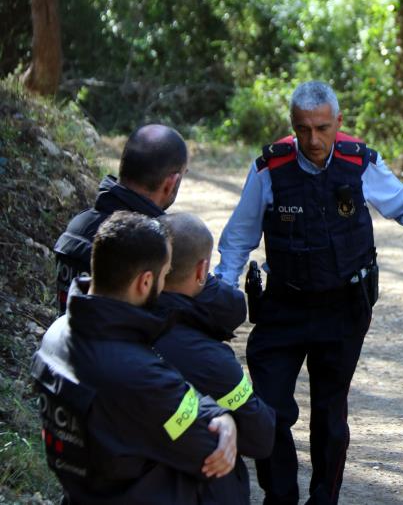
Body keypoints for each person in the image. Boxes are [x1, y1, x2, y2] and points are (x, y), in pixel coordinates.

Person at [214, 80, 403, 505]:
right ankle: (279, 496)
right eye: (303, 129)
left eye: (323, 128)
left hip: (342, 308)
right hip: (282, 305)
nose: (313, 139)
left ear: (339, 123)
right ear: (292, 126)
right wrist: (219, 296)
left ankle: (324, 497)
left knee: (329, 412)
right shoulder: (270, 168)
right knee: (266, 410)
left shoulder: (359, 163)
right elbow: (237, 240)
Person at [31, 211, 239, 504]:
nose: (167, 281)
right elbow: (212, 447)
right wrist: (223, 416)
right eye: (166, 273)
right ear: (144, 282)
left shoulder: (56, 333)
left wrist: (216, 414)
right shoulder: (136, 372)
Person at [154, 212, 277, 505]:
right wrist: (226, 420)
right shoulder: (210, 360)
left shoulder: (102, 330)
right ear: (201, 271)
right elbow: (261, 436)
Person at [54, 123, 188, 313]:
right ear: (171, 183)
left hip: (65, 341)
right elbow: (222, 308)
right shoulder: (157, 246)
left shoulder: (78, 226)